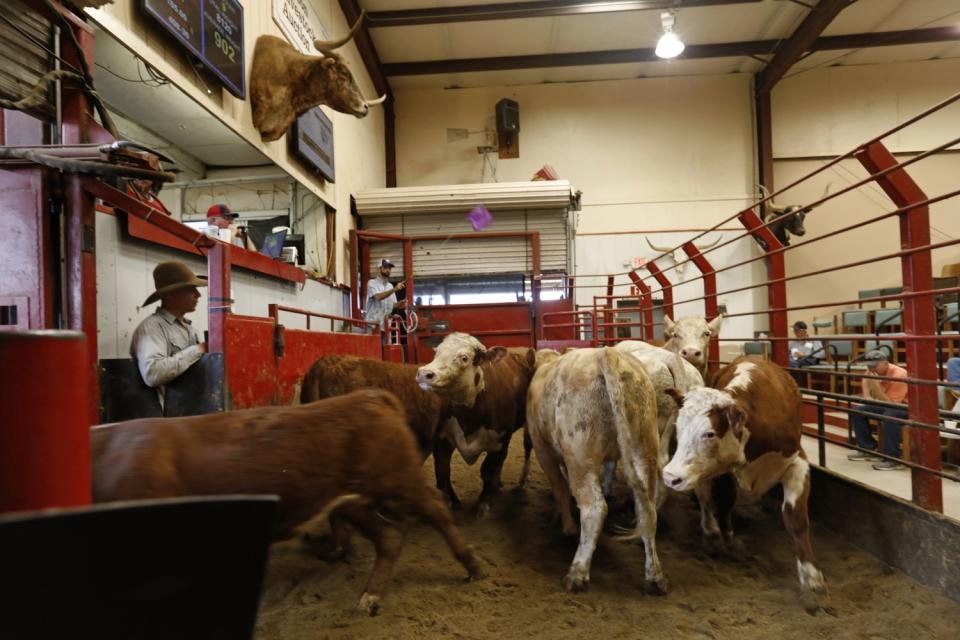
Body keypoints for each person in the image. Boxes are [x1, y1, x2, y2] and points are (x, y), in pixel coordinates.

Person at [130, 260, 208, 410]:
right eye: (191, 290)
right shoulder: (152, 327)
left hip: (189, 412)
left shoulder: (191, 330)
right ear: (171, 294)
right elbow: (153, 374)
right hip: (166, 419)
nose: (198, 295)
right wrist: (198, 350)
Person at [847, 349, 909, 470]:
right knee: (856, 411)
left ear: (885, 363)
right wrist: (867, 396)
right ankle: (868, 448)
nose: (872, 369)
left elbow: (893, 405)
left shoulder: (899, 375)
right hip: (887, 403)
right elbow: (866, 376)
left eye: (874, 366)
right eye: (869, 366)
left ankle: (893, 458)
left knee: (889, 416)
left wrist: (876, 388)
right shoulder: (874, 371)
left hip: (904, 406)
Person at [364, 258, 405, 333]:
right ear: (379, 269)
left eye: (389, 268)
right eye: (385, 268)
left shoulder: (390, 286)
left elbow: (392, 305)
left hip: (385, 327)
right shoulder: (371, 283)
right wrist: (395, 289)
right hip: (372, 326)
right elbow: (378, 297)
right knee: (373, 345)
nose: (388, 270)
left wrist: (400, 304)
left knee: (385, 345)